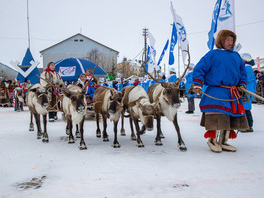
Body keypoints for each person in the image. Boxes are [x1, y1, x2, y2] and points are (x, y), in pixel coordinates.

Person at [192, 30, 248, 153]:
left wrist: (242, 84)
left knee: (229, 117)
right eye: (228, 40)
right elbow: (200, 68)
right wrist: (197, 83)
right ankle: (212, 140)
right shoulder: (212, 54)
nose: (230, 42)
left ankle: (223, 141)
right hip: (216, 91)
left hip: (232, 93)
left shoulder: (236, 56)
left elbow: (243, 72)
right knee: (217, 117)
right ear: (221, 41)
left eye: (232, 40)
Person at [239, 53, 257, 132]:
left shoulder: (246, 69)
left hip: (245, 92)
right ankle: (248, 125)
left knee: (245, 109)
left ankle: (247, 126)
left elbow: (243, 80)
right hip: (248, 91)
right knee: (245, 108)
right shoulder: (249, 69)